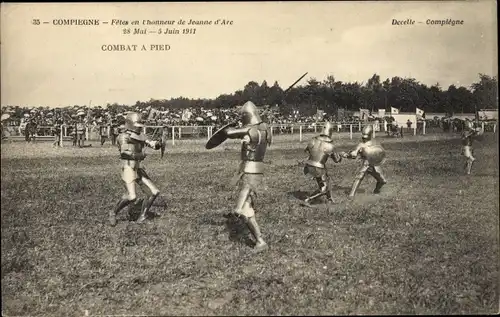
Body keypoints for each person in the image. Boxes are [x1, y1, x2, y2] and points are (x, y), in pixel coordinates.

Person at [221, 101, 271, 252]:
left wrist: (232, 123)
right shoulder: (265, 128)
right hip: (257, 168)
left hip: (250, 170)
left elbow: (228, 133)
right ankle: (259, 240)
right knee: (247, 207)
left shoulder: (249, 129)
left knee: (241, 210)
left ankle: (261, 241)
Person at [109, 112, 163, 226]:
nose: (138, 128)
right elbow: (124, 153)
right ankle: (113, 212)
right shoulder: (123, 136)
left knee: (154, 192)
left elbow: (151, 143)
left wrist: (158, 144)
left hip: (138, 168)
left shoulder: (140, 135)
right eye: (136, 125)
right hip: (128, 168)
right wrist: (139, 156)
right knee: (132, 196)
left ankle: (142, 217)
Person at [301, 122, 342, 207]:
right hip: (318, 167)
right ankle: (308, 200)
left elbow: (307, 150)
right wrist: (340, 155)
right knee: (324, 188)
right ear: (330, 131)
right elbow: (337, 160)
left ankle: (330, 199)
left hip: (309, 165)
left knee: (326, 180)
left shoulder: (313, 139)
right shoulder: (330, 145)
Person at [341, 125, 387, 198]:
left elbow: (380, 152)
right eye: (363, 137)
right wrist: (347, 155)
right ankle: (351, 195)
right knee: (359, 177)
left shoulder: (375, 143)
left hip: (374, 165)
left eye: (366, 136)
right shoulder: (361, 145)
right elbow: (354, 154)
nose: (364, 138)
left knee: (383, 181)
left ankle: (376, 191)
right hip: (366, 164)